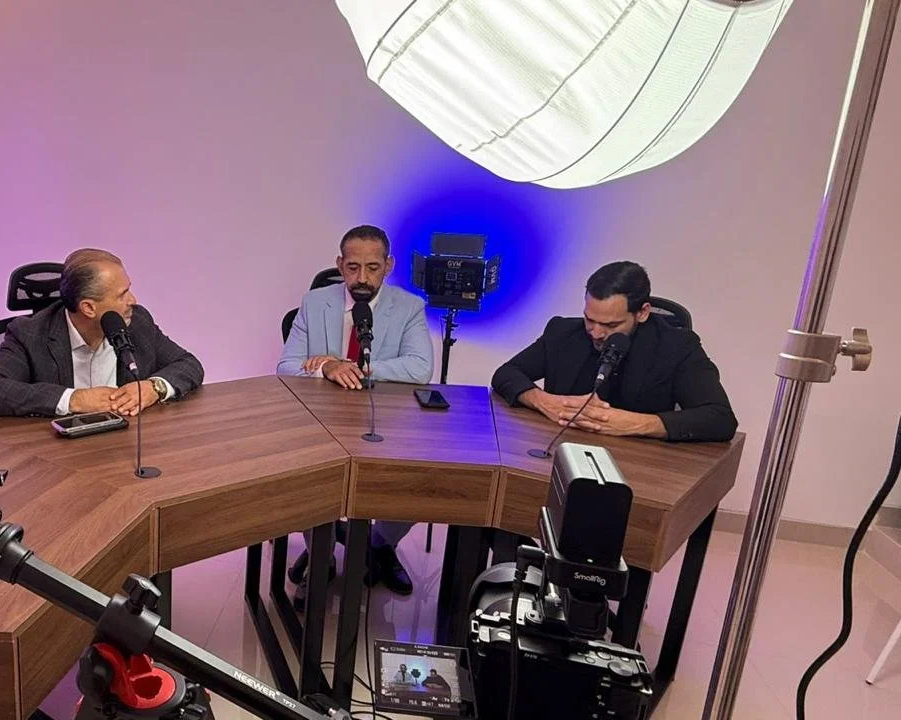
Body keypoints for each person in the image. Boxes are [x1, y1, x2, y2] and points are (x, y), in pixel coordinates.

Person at [277, 225, 434, 606]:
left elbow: (419, 369)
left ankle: (381, 544)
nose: (362, 278)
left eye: (373, 268)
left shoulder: (409, 307)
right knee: (306, 477)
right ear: (339, 265)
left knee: (419, 480)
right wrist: (323, 370)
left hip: (385, 418)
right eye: (352, 268)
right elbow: (286, 367)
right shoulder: (315, 302)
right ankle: (322, 552)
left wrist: (351, 365)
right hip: (321, 419)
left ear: (389, 265)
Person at [491, 260, 736, 442]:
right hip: (562, 452)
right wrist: (545, 402)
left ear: (642, 312)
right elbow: (506, 374)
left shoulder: (677, 346)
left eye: (610, 325)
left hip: (639, 467)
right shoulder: (563, 332)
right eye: (589, 319)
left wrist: (634, 423)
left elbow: (720, 418)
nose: (596, 333)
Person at [0, 249, 203, 418]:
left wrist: (154, 388)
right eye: (122, 294)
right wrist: (74, 400)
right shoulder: (30, 334)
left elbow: (189, 364)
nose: (133, 300)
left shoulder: (136, 321)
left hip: (123, 448)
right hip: (56, 463)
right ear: (89, 307)